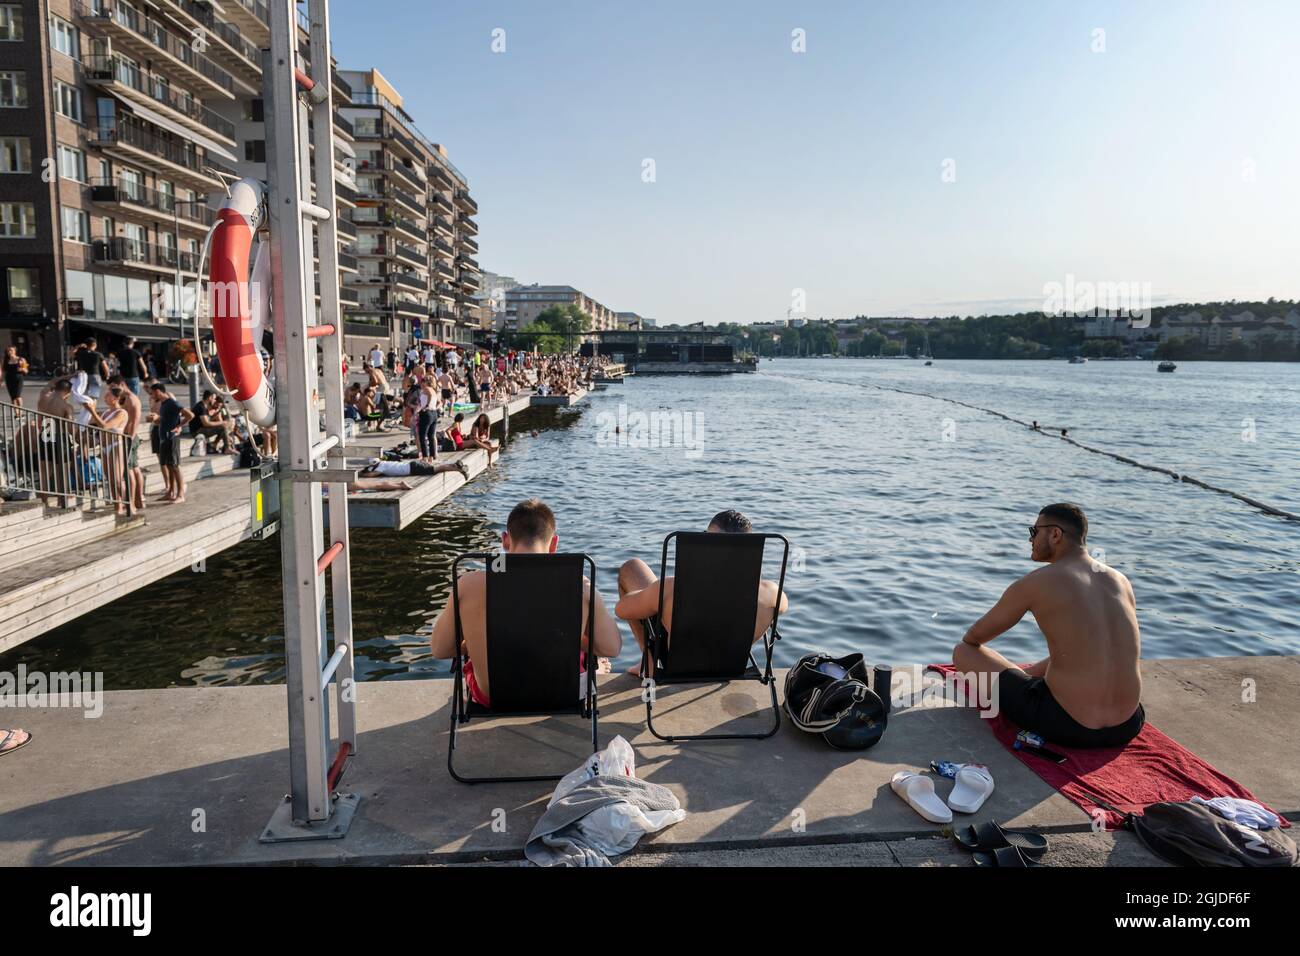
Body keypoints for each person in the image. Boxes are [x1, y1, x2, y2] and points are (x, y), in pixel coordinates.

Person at [951, 503, 1144, 749]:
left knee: (963, 652)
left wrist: (1018, 676)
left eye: (1034, 531)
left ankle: (1028, 683)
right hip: (1128, 725)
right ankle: (1030, 678)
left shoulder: (1037, 582)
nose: (1030, 539)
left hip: (1069, 726)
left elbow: (974, 638)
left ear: (1055, 534)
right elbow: (1091, 650)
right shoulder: (1120, 580)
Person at [428, 498, 622, 707]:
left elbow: (441, 650)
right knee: (587, 651)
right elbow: (610, 648)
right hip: (564, 695)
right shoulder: (579, 586)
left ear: (505, 540)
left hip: (493, 698)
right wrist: (568, 637)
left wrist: (478, 642)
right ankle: (592, 671)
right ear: (553, 544)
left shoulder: (468, 586)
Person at [615, 509, 789, 677]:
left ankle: (650, 663)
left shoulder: (671, 587)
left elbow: (621, 610)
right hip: (730, 666)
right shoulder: (771, 593)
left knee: (632, 567)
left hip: (678, 665)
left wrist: (654, 597)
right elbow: (783, 606)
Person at [147, 382, 193, 503]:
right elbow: (164, 420)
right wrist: (156, 419)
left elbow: (190, 415)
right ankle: (171, 492)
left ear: (158, 391)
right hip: (163, 438)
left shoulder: (172, 403)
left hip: (172, 438)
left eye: (152, 393)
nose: (151, 396)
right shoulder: (163, 404)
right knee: (168, 464)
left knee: (175, 466)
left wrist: (179, 426)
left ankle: (180, 494)